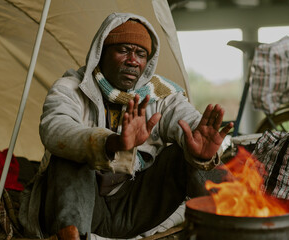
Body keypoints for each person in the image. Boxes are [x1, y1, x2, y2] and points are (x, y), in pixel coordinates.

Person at [19, 12, 232, 240]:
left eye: (140, 54)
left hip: (133, 209)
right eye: (123, 50)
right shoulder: (71, 87)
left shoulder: (160, 94)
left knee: (188, 151)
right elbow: (55, 129)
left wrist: (201, 153)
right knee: (69, 155)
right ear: (102, 52)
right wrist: (112, 142)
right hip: (80, 210)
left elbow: (188, 121)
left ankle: (233, 228)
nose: (133, 60)